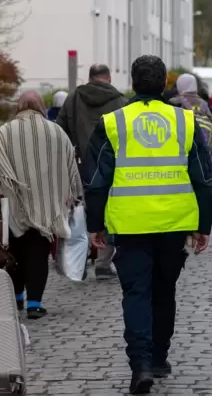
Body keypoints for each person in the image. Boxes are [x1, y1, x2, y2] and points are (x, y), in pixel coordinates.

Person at [82, 55, 212, 395]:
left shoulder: (113, 123)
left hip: (130, 224)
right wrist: (204, 225)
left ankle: (140, 364)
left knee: (136, 293)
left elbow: (97, 180)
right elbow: (204, 177)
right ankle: (159, 358)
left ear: (132, 81)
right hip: (174, 222)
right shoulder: (185, 122)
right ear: (162, 83)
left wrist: (94, 224)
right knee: (164, 291)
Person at [0, 90, 82, 320]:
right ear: (41, 107)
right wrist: (76, 195)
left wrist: (4, 170)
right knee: (38, 253)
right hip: (47, 206)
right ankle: (35, 303)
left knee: (14, 252)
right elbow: (70, 165)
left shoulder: (5, 131)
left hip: (13, 204)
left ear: (18, 107)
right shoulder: (56, 131)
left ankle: (17, 296)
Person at [56, 64, 127, 279]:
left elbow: (60, 129)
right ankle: (104, 262)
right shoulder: (120, 101)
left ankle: (79, 260)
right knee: (108, 210)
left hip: (79, 164)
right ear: (109, 77)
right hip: (110, 164)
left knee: (79, 211)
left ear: (89, 78)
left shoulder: (73, 98)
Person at [169, 74, 212, 165]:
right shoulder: (203, 103)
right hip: (202, 145)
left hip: (183, 145)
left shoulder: (175, 101)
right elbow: (211, 122)